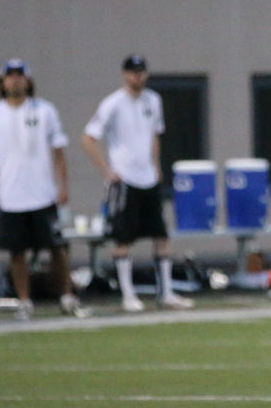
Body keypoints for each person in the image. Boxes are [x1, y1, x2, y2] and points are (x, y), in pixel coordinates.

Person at [0, 59, 91, 321]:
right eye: (10, 76)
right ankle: (24, 301)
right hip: (11, 195)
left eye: (20, 76)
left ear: (28, 80)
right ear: (2, 82)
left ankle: (67, 296)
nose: (15, 80)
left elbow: (58, 152)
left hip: (42, 193)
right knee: (17, 252)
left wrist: (62, 186)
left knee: (56, 248)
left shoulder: (45, 111)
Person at [81, 55, 194, 313]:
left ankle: (166, 293)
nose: (137, 77)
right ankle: (128, 295)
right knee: (124, 239)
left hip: (148, 179)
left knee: (161, 236)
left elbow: (154, 135)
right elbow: (88, 138)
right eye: (133, 72)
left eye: (141, 72)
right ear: (125, 74)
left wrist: (156, 165)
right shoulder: (113, 103)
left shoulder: (153, 100)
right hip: (125, 179)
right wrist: (107, 170)